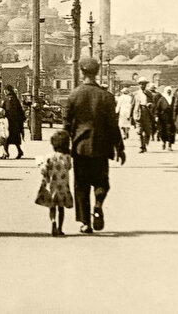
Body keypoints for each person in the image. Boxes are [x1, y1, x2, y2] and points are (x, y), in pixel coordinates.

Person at [64, 57, 126, 234]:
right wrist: (119, 148)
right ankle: (98, 203)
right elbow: (113, 125)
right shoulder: (107, 96)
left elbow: (66, 125)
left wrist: (63, 149)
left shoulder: (74, 95)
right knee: (101, 182)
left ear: (82, 72)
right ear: (97, 72)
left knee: (81, 185)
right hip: (101, 146)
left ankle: (85, 223)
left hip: (80, 147)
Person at [36, 130, 74, 236]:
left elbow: (43, 170)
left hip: (51, 186)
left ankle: (53, 222)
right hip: (63, 187)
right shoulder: (67, 158)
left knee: (52, 207)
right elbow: (69, 167)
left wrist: (39, 164)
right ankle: (60, 228)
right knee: (61, 208)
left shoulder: (49, 157)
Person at [0, 85, 25, 159]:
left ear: (7, 90)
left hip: (10, 123)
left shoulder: (9, 99)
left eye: (5, 90)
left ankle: (6, 153)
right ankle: (18, 151)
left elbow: (8, 110)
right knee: (14, 140)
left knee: (6, 138)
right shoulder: (15, 99)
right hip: (15, 123)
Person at [131, 77, 154, 153]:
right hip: (138, 112)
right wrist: (130, 116)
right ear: (139, 85)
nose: (142, 86)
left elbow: (153, 103)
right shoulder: (135, 94)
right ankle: (141, 147)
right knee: (139, 131)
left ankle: (144, 144)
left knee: (147, 131)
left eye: (144, 84)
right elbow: (132, 105)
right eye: (141, 84)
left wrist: (150, 104)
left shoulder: (149, 93)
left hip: (146, 112)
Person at [155, 85, 175, 151]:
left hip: (171, 118)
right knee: (162, 131)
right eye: (168, 91)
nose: (169, 93)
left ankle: (169, 145)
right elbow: (157, 108)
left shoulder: (173, 99)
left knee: (170, 131)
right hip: (162, 118)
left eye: (170, 91)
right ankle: (163, 142)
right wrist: (156, 116)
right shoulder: (161, 99)